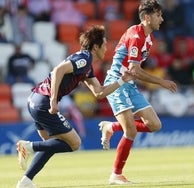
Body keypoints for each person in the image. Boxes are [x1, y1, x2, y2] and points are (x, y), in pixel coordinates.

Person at [16, 25, 133, 188]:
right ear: (96, 46)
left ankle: (25, 181)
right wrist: (53, 100)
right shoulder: (84, 58)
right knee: (75, 143)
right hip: (44, 101)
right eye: (104, 45)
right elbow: (58, 70)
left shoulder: (87, 67)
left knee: (52, 144)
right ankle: (27, 146)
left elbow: (99, 93)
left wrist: (122, 80)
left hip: (34, 100)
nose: (106, 49)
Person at [98, 0, 178, 185]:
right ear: (147, 17)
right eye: (159, 15)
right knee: (131, 131)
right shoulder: (136, 36)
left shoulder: (148, 38)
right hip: (116, 83)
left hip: (129, 84)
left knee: (154, 125)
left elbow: (133, 71)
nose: (162, 19)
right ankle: (116, 174)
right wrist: (162, 82)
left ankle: (111, 127)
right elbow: (134, 70)